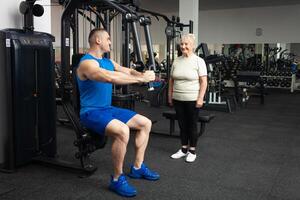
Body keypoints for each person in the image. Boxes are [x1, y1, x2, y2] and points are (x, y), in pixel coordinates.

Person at [76, 28, 159, 197]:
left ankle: (137, 167)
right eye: (108, 38)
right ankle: (116, 179)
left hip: (107, 109)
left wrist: (142, 74)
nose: (110, 42)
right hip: (90, 112)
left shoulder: (108, 61)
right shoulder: (87, 63)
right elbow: (108, 77)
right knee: (123, 131)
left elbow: (126, 71)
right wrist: (141, 79)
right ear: (98, 40)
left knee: (145, 123)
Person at [168, 33, 208, 163]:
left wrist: (200, 98)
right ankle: (183, 149)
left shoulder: (199, 61)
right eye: (182, 44)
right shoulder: (176, 60)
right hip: (178, 98)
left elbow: (204, 82)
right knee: (182, 125)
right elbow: (171, 80)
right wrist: (170, 95)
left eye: (186, 44)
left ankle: (192, 151)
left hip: (192, 98)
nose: (183, 46)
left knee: (191, 125)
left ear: (192, 46)